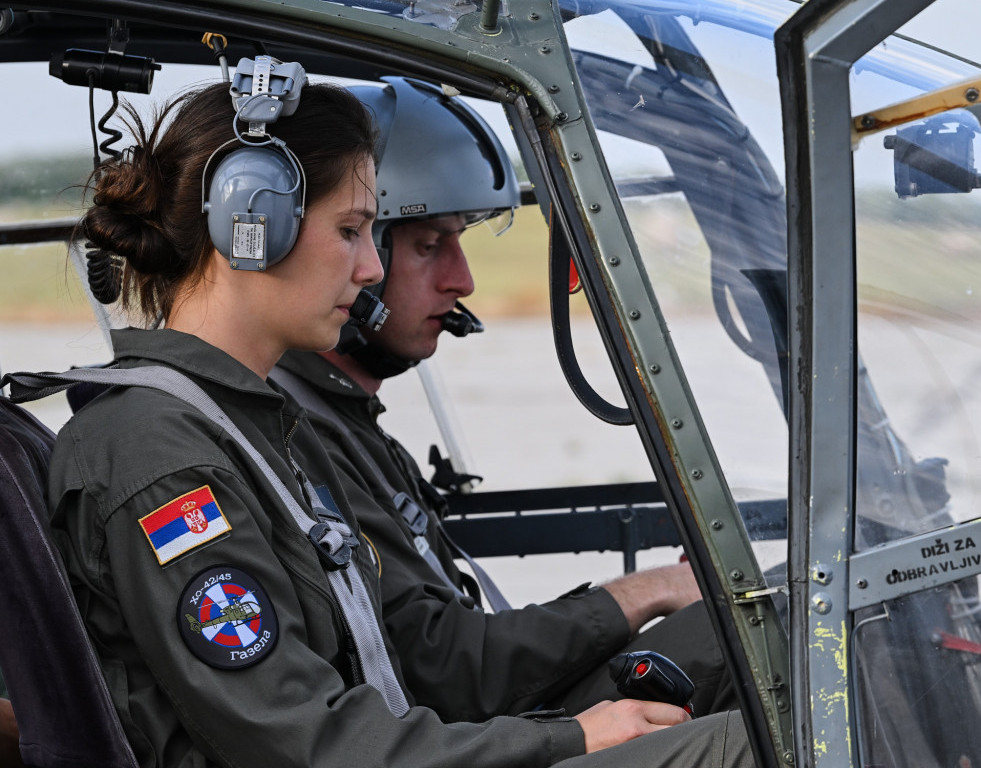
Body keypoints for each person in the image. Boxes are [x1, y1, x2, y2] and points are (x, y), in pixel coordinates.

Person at [11, 60, 750, 767]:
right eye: (349, 230)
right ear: (249, 223)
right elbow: (310, 748)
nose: (369, 268)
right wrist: (567, 740)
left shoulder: (256, 429)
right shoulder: (159, 456)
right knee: (753, 745)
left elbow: (394, 674)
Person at [271, 77, 738, 722]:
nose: (462, 280)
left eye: (460, 242)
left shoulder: (347, 424)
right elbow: (445, 671)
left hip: (479, 728)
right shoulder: (299, 438)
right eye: (429, 246)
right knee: (736, 644)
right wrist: (651, 590)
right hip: (465, 738)